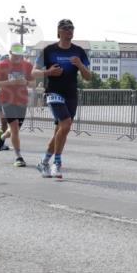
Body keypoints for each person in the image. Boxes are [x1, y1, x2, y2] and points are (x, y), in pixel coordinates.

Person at [32, 19, 93, 179]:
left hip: (71, 94)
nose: (69, 30)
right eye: (65, 28)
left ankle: (44, 162)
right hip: (54, 92)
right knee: (66, 124)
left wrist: (80, 65)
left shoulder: (79, 51)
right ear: (58, 31)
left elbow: (88, 77)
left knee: (60, 131)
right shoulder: (49, 50)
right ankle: (57, 164)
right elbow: (33, 72)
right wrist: (48, 72)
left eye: (71, 28)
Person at [0, 44, 34, 167]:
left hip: (22, 101)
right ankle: (18, 157)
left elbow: (33, 83)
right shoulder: (1, 65)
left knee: (13, 131)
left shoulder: (27, 65)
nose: (17, 57)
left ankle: (3, 137)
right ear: (10, 52)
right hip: (7, 100)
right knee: (15, 129)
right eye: (15, 54)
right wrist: (9, 82)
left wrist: (26, 82)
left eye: (19, 54)